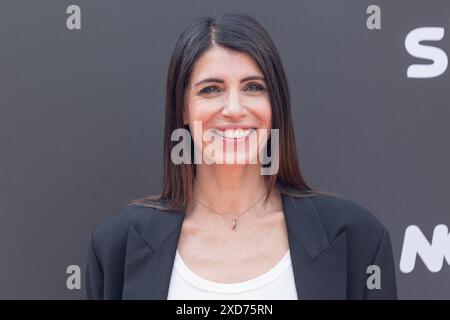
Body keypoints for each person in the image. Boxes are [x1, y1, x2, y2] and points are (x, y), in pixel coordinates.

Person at [85, 13, 397, 300]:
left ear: (275, 106)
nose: (234, 109)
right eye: (211, 89)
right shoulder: (117, 247)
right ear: (183, 110)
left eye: (253, 87)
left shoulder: (357, 238)